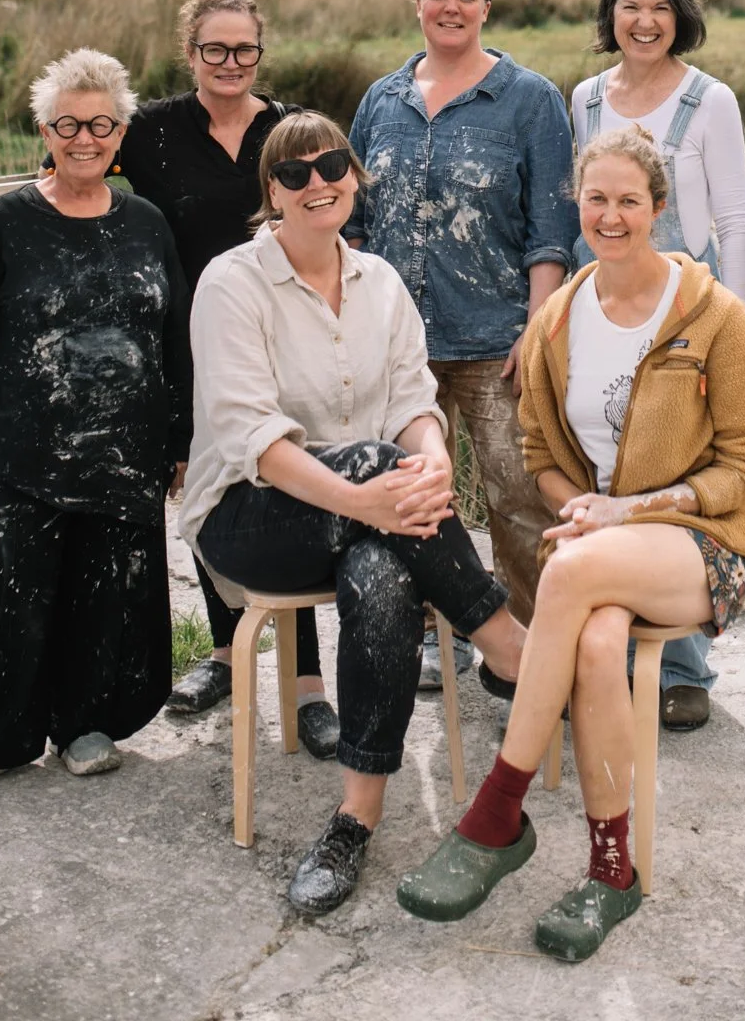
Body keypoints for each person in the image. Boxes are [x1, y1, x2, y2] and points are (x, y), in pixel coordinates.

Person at [397, 125, 745, 962]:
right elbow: (541, 456)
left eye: (629, 201)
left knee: (568, 572)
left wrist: (629, 511)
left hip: (703, 545)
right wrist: (583, 509)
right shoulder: (558, 320)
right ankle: (613, 871)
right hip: (595, 552)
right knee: (600, 643)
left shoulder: (716, 317)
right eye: (597, 199)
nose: (611, 216)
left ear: (658, 209)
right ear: (580, 205)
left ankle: (498, 811)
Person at [179, 110, 526, 914]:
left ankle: (355, 818)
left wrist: (432, 462)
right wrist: (368, 494)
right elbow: (254, 438)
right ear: (271, 192)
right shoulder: (231, 283)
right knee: (375, 469)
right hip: (247, 516)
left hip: (366, 512)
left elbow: (412, 401)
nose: (316, 183)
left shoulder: (382, 284)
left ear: (354, 176)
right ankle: (504, 641)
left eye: (331, 166)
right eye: (293, 173)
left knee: (382, 572)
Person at [0, 49, 192, 802]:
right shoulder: (2, 226)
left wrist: (178, 441)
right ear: (45, 131)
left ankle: (86, 725)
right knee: (2, 601)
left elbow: (174, 341)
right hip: (17, 456)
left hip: (123, 456)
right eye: (68, 124)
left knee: (106, 598)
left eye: (100, 125)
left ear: (121, 133)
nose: (84, 139)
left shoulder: (146, 223)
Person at [348, 0, 577, 685]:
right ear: (417, 3)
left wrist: (536, 331)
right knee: (410, 499)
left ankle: (535, 648)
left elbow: (551, 230)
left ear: (486, 8)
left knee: (520, 500)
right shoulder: (382, 101)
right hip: (398, 349)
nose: (451, 7)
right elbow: (355, 225)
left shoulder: (530, 99)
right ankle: (419, 634)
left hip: (495, 341)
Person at [118, 0, 335, 754]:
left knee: (290, 488)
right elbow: (73, 159)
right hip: (185, 341)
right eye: (216, 48)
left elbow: (331, 207)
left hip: (281, 336)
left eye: (245, 49)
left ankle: (308, 685)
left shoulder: (288, 130)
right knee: (205, 484)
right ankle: (222, 653)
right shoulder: (150, 131)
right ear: (191, 53)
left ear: (259, 53)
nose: (231, 62)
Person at [570, 0, 745, 731]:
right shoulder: (585, 99)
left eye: (660, 8)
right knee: (604, 464)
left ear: (681, 16)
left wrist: (738, 331)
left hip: (685, 314)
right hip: (602, 304)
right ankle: (606, 650)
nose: (645, 22)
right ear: (610, 16)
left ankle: (683, 665)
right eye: (631, 7)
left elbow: (735, 221)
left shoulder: (710, 100)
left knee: (677, 466)